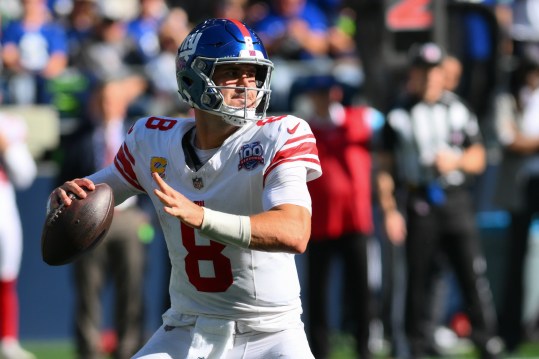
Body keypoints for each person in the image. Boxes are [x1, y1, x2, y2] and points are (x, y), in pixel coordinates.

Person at [47, 18, 322, 358]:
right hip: (187, 327)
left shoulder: (279, 135)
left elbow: (295, 231)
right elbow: (97, 193)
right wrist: (64, 198)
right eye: (232, 72)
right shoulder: (153, 140)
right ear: (193, 77)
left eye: (253, 72)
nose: (247, 84)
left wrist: (202, 216)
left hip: (270, 331)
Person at [377, 42, 502, 359]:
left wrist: (455, 162)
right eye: (423, 72)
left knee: (471, 272)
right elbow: (385, 170)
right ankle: (415, 344)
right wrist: (390, 210)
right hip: (419, 203)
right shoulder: (398, 115)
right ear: (414, 75)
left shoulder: (458, 109)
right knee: (418, 279)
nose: (429, 79)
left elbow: (478, 156)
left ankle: (485, 339)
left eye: (434, 72)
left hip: (455, 199)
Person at [56, 78, 150, 359]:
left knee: (132, 289)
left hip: (129, 219)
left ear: (123, 104)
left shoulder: (139, 137)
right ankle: (89, 351)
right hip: (87, 222)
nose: (107, 106)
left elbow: (153, 176)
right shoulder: (78, 138)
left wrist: (145, 215)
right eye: (103, 100)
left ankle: (129, 349)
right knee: (87, 291)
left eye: (113, 100)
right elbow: (65, 181)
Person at [299, 74, 383, 359]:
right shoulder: (303, 130)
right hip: (320, 224)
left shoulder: (361, 119)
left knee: (362, 290)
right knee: (317, 294)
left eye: (327, 92)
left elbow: (389, 123)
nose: (323, 98)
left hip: (355, 221)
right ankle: (319, 352)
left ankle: (364, 349)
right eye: (318, 93)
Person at [494, 58, 539, 352]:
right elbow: (508, 139)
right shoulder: (506, 99)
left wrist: (528, 141)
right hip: (519, 190)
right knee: (516, 260)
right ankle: (511, 330)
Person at [0, 111, 37, 359]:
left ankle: (7, 339)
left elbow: (25, 175)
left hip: (3, 204)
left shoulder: (9, 124)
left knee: (7, 272)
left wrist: (6, 147)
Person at [1, 0, 68, 104]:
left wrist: (43, 71)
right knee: (22, 84)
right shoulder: (12, 29)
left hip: (45, 77)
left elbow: (59, 59)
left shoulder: (53, 30)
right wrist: (23, 67)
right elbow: (8, 55)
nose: (32, 6)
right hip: (21, 75)